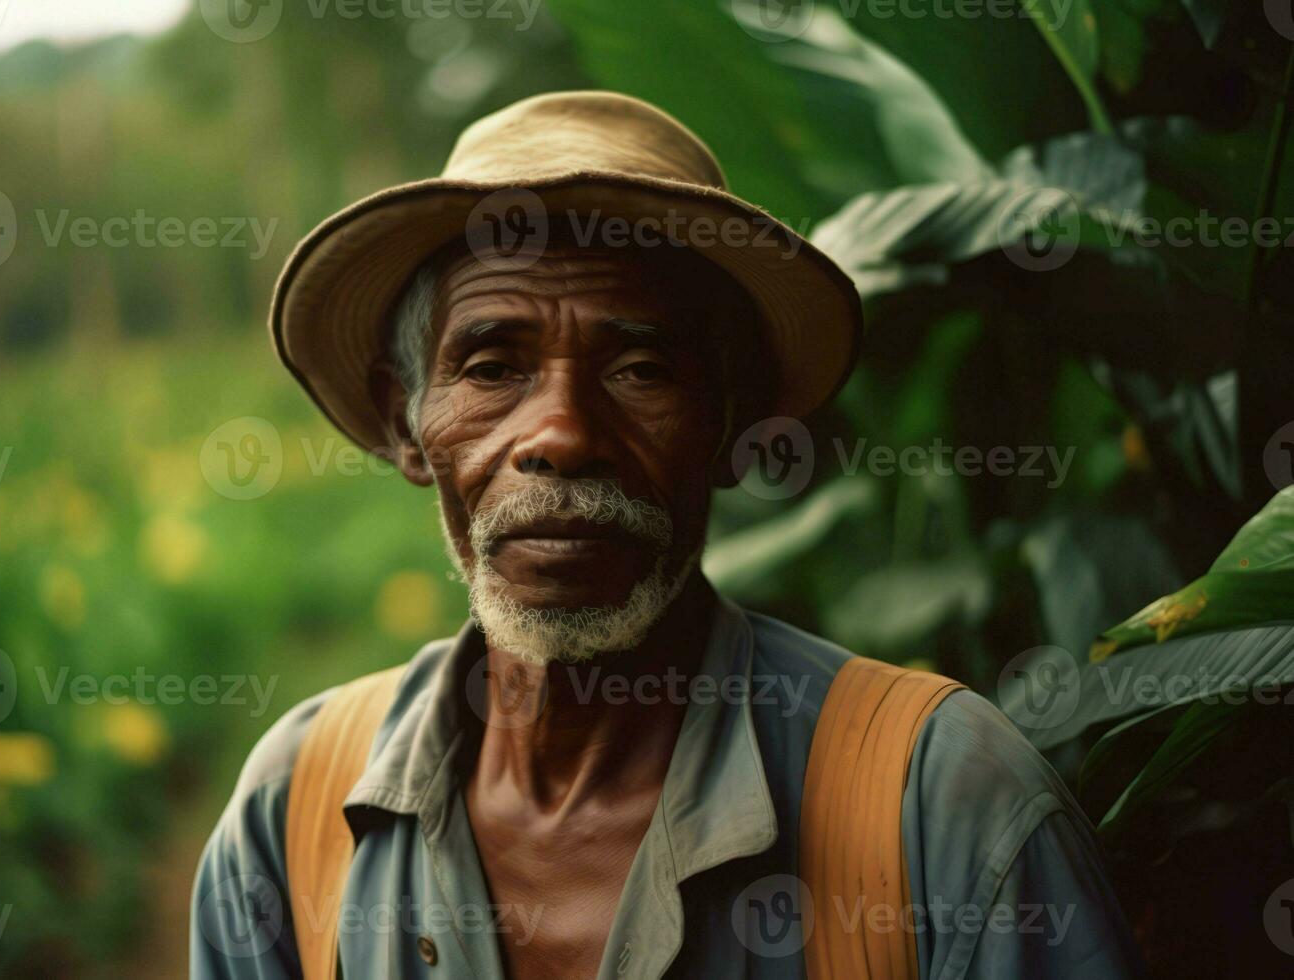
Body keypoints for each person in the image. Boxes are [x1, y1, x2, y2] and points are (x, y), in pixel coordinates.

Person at [191, 91, 1142, 979]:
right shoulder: (294, 814)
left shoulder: (941, 805)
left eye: (641, 367)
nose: (561, 435)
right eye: (490, 366)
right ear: (408, 426)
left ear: (736, 426)